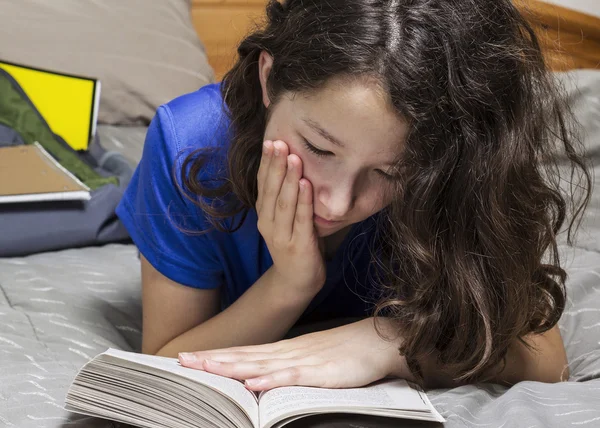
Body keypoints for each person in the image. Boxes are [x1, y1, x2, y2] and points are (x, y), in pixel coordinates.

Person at [115, 0, 591, 391]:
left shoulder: (458, 160)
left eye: (390, 171)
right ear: (267, 78)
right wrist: (290, 284)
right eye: (319, 148)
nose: (338, 204)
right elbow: (163, 362)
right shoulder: (190, 143)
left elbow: (545, 358)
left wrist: (386, 344)